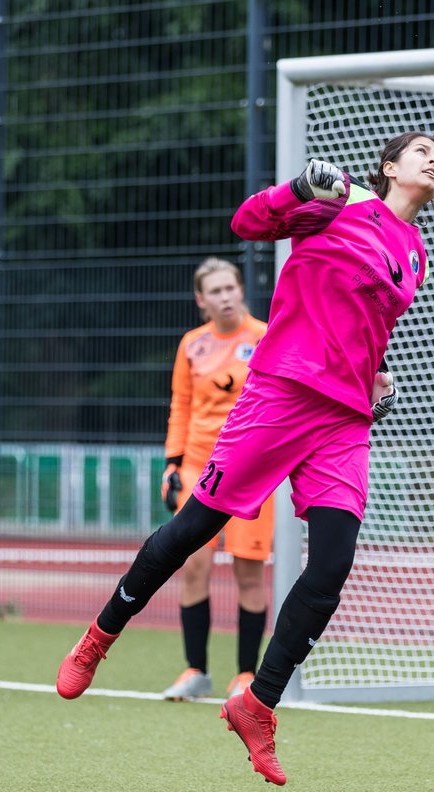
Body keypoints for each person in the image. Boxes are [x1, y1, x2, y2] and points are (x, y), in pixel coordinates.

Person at [57, 131, 434, 785]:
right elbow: (249, 222)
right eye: (422, 151)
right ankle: (99, 636)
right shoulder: (341, 201)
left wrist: (378, 374)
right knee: (194, 529)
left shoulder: (418, 255)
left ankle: (257, 702)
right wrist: (297, 188)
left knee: (331, 564)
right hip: (280, 395)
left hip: (343, 420)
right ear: (389, 167)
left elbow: (369, 326)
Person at [159, 257, 274, 701]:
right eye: (216, 291)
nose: (225, 297)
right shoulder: (191, 344)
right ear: (201, 300)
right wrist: (172, 464)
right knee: (193, 567)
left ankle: (246, 674)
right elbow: (181, 407)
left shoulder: (266, 336)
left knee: (249, 572)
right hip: (198, 469)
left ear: (241, 290)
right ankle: (195, 671)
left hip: (252, 469)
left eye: (231, 288)